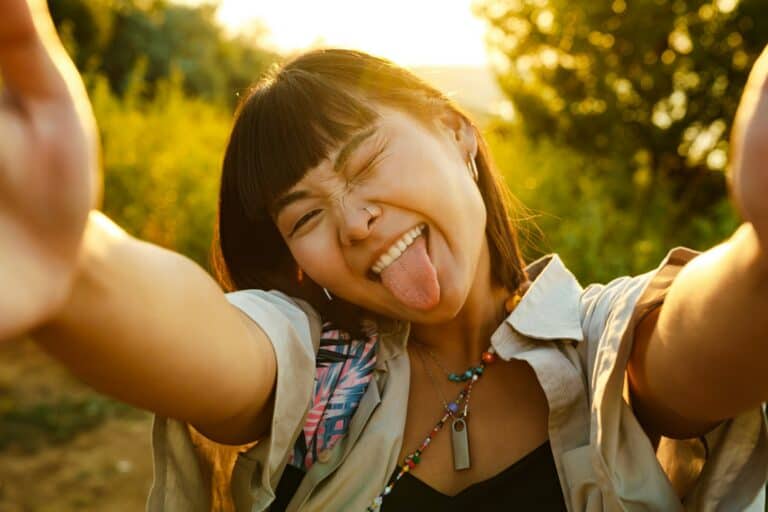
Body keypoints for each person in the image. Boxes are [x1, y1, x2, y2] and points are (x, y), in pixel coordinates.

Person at [2, 0, 768, 510]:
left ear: (455, 131)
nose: (356, 221)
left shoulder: (604, 343)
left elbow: (694, 337)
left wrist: (761, 255)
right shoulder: (316, 378)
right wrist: (71, 264)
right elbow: (216, 345)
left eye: (365, 164)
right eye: (305, 215)